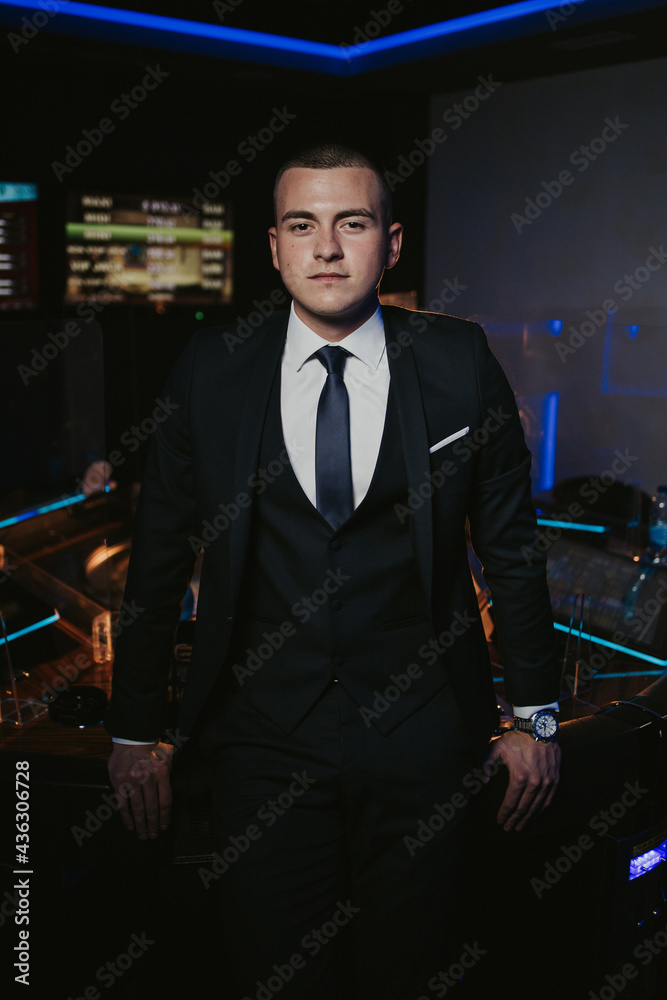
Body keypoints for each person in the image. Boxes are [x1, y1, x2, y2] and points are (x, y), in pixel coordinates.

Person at [107, 143, 561, 999]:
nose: (325, 248)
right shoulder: (212, 366)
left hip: (424, 735)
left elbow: (511, 547)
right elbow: (160, 555)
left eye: (351, 223)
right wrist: (135, 731)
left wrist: (536, 719)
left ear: (390, 245)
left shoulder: (459, 359)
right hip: (259, 741)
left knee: (413, 972)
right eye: (302, 226)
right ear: (274, 247)